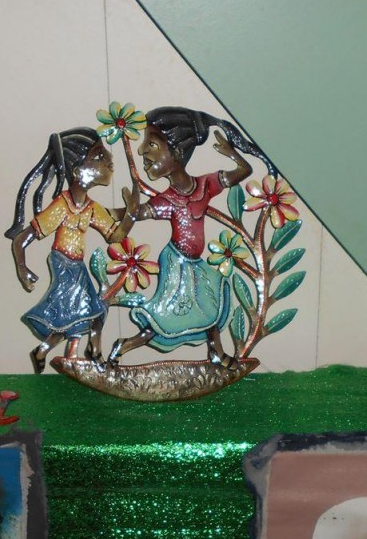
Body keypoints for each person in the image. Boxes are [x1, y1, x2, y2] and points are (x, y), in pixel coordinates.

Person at [108, 106, 272, 366]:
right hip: (176, 263)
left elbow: (244, 171)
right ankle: (123, 346)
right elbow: (138, 213)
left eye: (152, 144)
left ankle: (216, 352)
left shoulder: (205, 185)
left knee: (211, 303)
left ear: (176, 152)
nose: (141, 151)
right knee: (166, 317)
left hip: (195, 264)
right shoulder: (167, 199)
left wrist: (232, 154)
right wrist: (116, 213)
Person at [6, 128, 136, 372]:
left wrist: (131, 214)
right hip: (63, 264)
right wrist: (23, 269)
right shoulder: (62, 205)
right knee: (84, 312)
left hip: (77, 266)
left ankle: (45, 350)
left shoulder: (91, 207)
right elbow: (21, 239)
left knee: (83, 315)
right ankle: (92, 353)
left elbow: (115, 236)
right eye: (99, 157)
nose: (109, 162)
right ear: (77, 172)